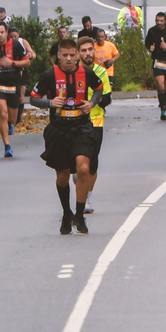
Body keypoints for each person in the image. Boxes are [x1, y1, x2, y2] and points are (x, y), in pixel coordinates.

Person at [31, 38, 104, 235]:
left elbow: (99, 89)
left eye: (73, 55)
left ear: (78, 55)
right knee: (62, 175)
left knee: (83, 167)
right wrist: (50, 103)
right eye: (65, 55)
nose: (69, 59)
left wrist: (92, 103)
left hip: (82, 126)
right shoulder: (49, 75)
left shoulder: (87, 73)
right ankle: (66, 213)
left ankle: (80, 215)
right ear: (59, 56)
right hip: (59, 128)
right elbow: (33, 98)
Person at [77, 35, 113, 217]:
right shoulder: (72, 72)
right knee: (75, 163)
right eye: (83, 50)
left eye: (90, 50)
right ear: (78, 53)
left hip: (95, 120)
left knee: (92, 162)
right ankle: (78, 177)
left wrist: (96, 101)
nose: (88, 53)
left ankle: (87, 197)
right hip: (74, 120)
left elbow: (107, 97)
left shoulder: (101, 72)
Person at [0, 21, 29, 157]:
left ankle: (10, 124)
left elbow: (27, 62)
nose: (0, 35)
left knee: (12, 119)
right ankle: (7, 146)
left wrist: (12, 63)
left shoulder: (15, 45)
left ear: (6, 32)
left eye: (2, 32)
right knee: (3, 113)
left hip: (14, 84)